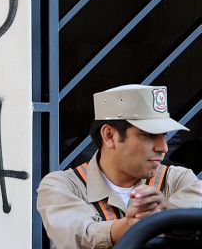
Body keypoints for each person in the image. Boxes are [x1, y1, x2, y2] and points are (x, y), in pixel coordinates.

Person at [37, 84, 202, 248]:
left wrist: (167, 213)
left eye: (164, 135)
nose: (163, 147)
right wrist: (133, 224)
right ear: (109, 135)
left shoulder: (177, 179)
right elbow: (79, 236)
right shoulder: (62, 185)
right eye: (148, 135)